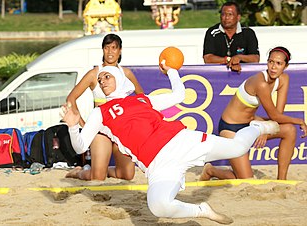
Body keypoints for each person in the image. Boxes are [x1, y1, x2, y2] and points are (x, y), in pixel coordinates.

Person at [61, 63, 280, 223]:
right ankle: (201, 210)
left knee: (238, 148)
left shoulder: (142, 99)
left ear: (119, 77)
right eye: (100, 80)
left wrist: (172, 71)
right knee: (158, 206)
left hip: (179, 141)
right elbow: (80, 146)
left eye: (106, 76)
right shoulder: (101, 112)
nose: (102, 81)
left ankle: (258, 127)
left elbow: (179, 95)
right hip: (157, 164)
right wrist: (72, 125)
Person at [200, 46, 307, 182]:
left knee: (289, 131)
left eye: (279, 63)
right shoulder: (260, 83)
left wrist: (263, 129)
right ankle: (211, 170)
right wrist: (300, 121)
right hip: (231, 128)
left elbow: (278, 115)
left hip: (250, 125)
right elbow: (275, 117)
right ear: (267, 62)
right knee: (246, 180)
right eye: (271, 62)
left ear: (285, 66)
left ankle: (282, 181)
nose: (274, 67)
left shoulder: (284, 79)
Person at [66, 33, 143, 181]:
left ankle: (100, 170)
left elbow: (142, 98)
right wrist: (83, 124)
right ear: (102, 50)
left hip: (121, 129)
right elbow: (71, 98)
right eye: (107, 48)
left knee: (127, 175)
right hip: (101, 131)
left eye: (114, 48)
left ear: (120, 51)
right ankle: (78, 172)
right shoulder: (95, 73)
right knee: (97, 178)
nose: (110, 52)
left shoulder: (125, 73)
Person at [203, 1, 260, 73]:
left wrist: (239, 58)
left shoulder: (248, 33)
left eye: (230, 14)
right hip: (218, 75)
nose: (226, 17)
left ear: (238, 17)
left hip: (243, 74)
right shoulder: (212, 33)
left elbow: (255, 59)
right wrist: (229, 60)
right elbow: (208, 58)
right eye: (223, 14)